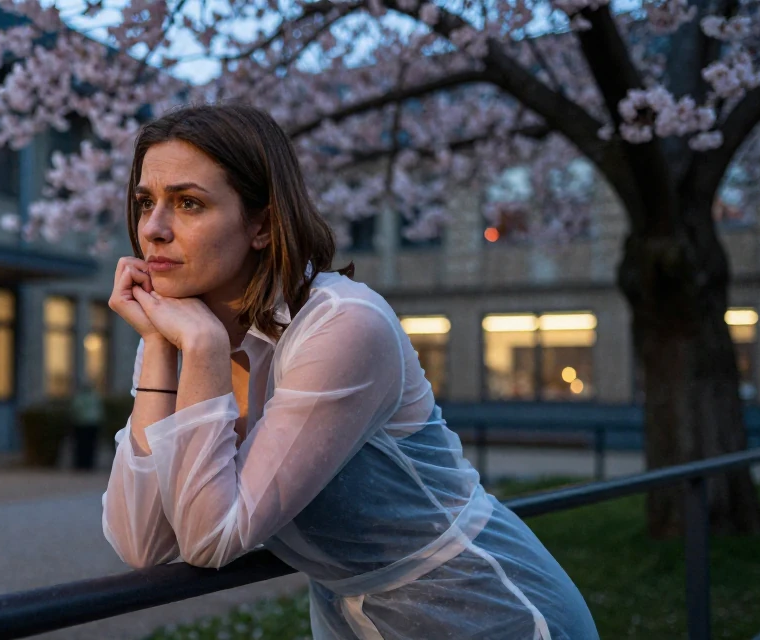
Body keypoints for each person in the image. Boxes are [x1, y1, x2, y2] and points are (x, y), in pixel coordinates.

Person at [101, 103, 599, 640]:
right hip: (354, 624)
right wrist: (158, 344)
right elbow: (142, 543)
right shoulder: (179, 331)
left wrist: (201, 349)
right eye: (145, 203)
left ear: (263, 225)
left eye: (189, 203)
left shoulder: (342, 325)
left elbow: (210, 539)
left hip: (484, 612)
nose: (152, 229)